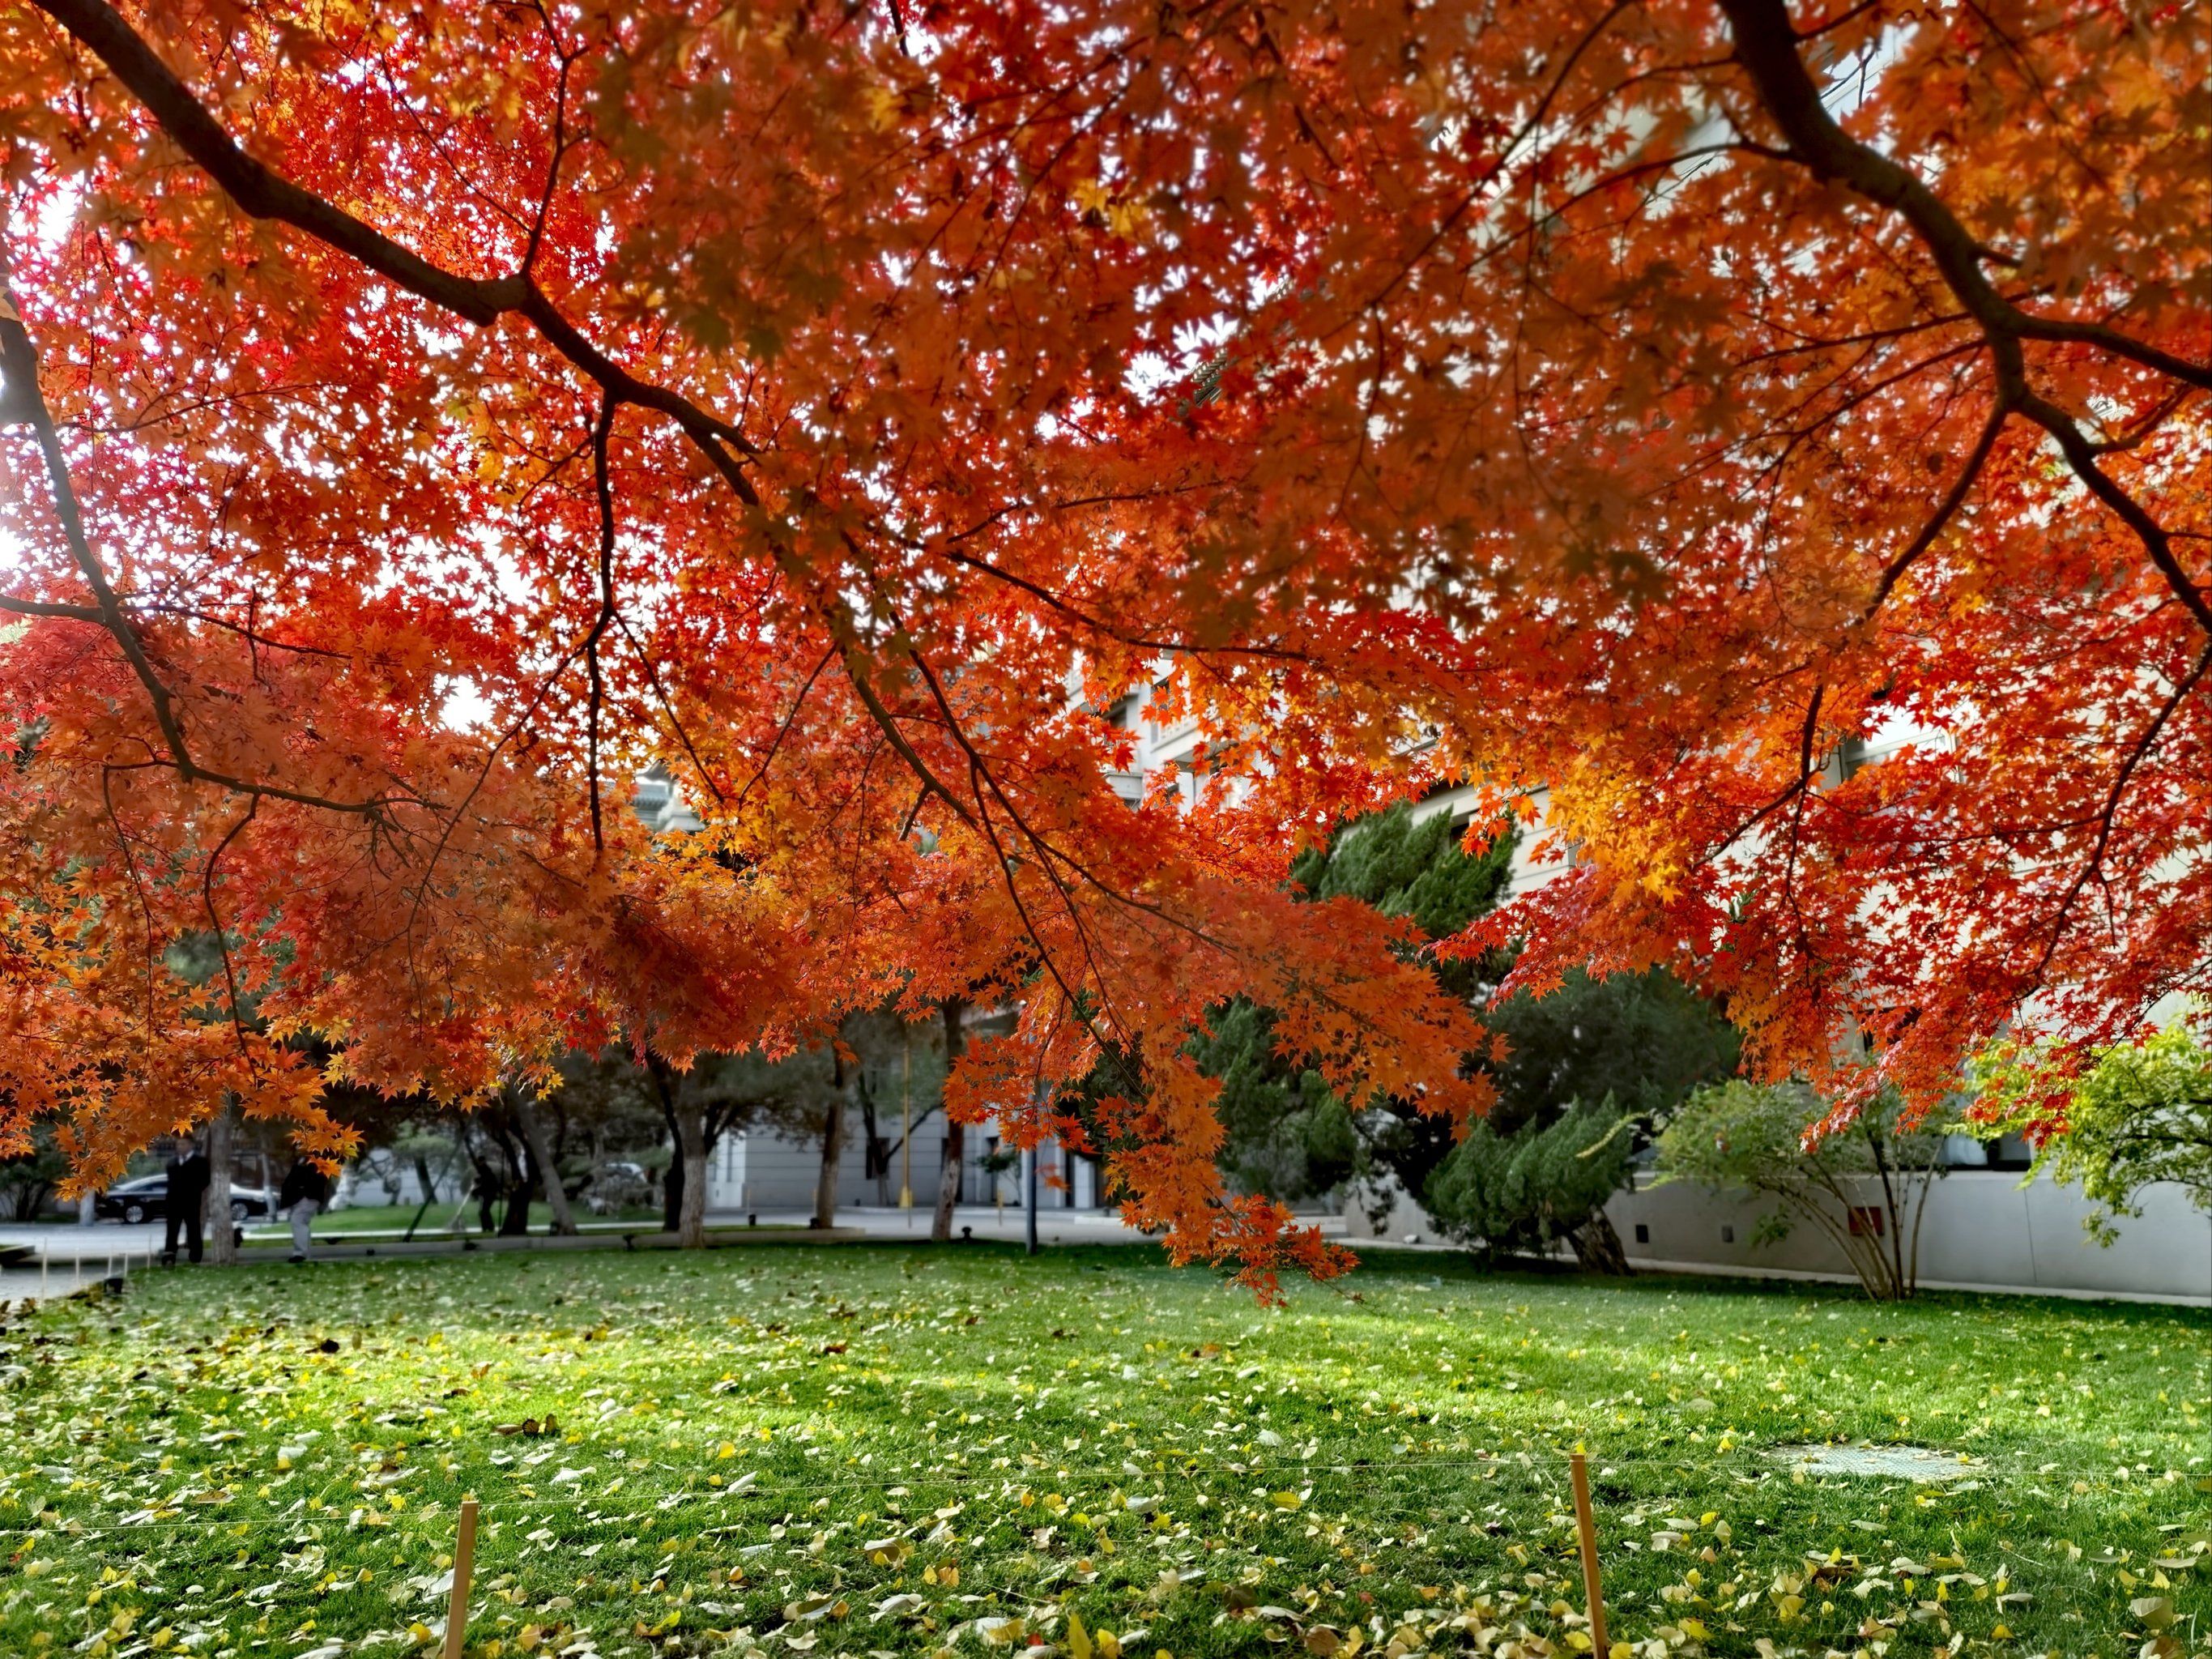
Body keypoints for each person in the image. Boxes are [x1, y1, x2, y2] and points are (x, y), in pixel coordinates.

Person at [161, 1137, 211, 1265]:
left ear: (191, 1145)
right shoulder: (172, 1162)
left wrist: (193, 1191)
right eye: (178, 1144)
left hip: (192, 1202)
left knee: (193, 1229)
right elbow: (170, 1182)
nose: (179, 1146)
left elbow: (205, 1180)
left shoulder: (200, 1161)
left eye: (182, 1144)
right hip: (173, 1203)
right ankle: (170, 1256)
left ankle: (195, 1257)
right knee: (172, 1230)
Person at [279, 1157, 332, 1264]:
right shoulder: (305, 1159)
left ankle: (301, 1254)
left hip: (308, 1196)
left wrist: (302, 1189)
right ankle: (303, 1253)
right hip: (305, 1197)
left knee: (298, 1221)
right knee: (300, 1222)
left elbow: (315, 1178)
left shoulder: (315, 1158)